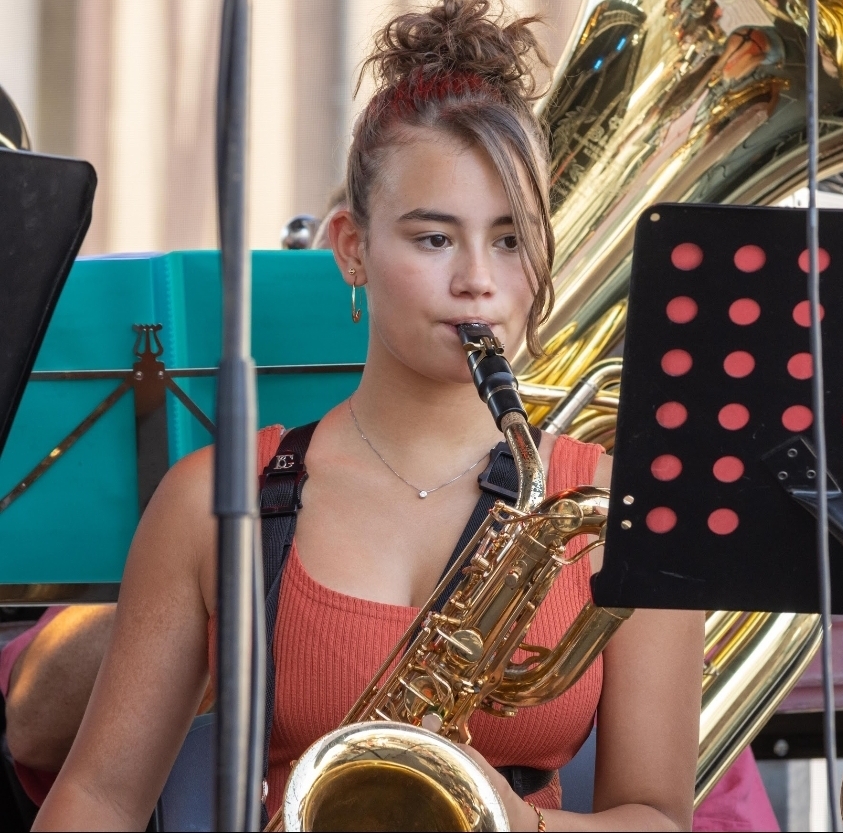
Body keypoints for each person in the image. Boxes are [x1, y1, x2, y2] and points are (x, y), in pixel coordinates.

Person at [32, 2, 704, 829]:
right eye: (434, 239)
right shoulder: (215, 500)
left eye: (510, 239)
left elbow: (658, 816)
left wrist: (510, 818)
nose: (478, 280)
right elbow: (98, 797)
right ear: (351, 247)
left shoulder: (617, 512)